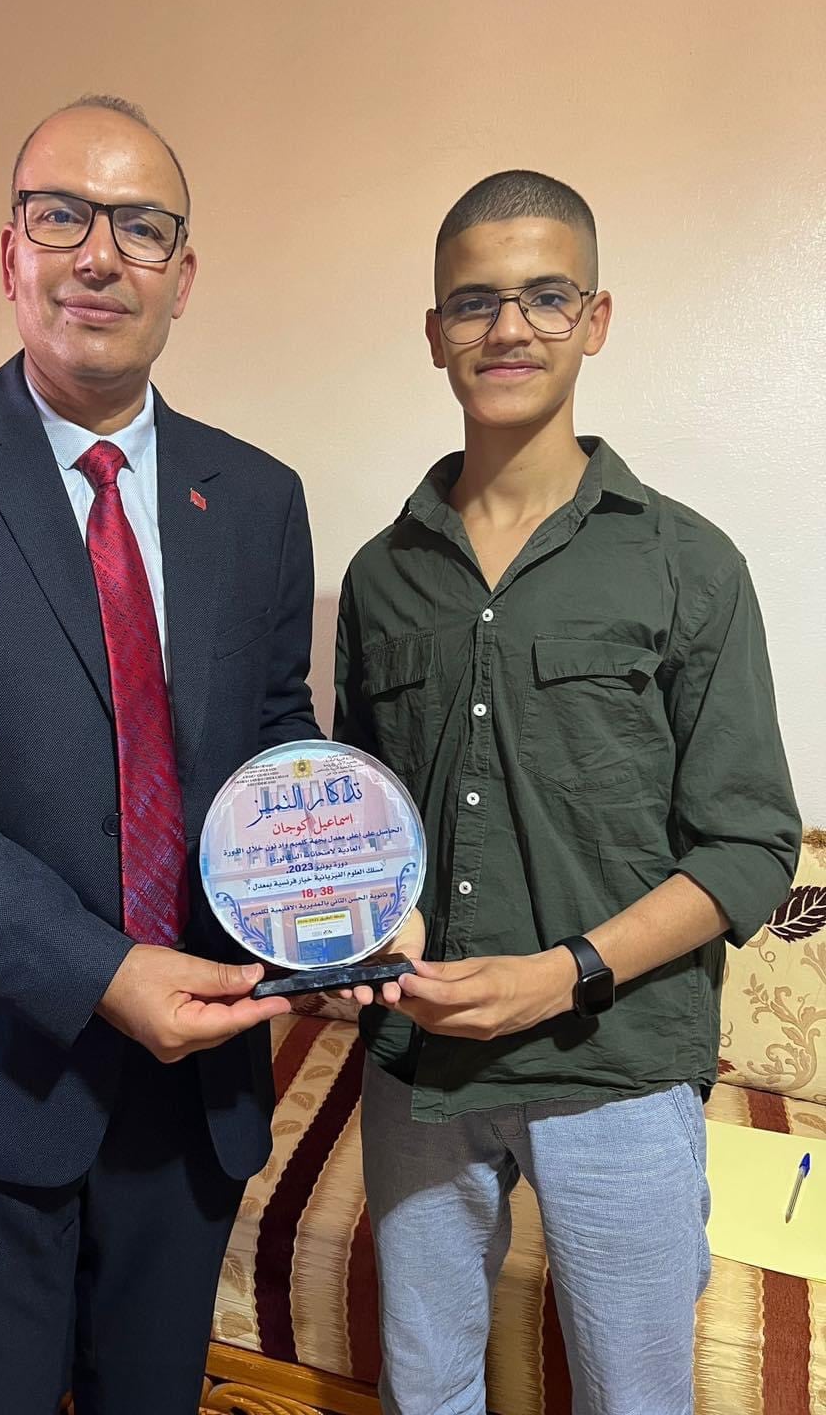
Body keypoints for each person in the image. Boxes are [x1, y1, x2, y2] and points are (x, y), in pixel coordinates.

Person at [0, 95, 318, 1415]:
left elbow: (273, 734)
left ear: (182, 277)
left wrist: (350, 894)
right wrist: (101, 972)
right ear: (11, 254)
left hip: (193, 1084)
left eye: (140, 227)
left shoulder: (257, 497)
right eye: (61, 215)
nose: (99, 254)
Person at [334, 170, 800, 1415]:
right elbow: (360, 816)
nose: (509, 328)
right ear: (433, 330)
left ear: (596, 319)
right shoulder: (380, 577)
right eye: (474, 301)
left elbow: (750, 844)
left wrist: (564, 973)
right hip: (419, 1067)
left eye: (546, 296)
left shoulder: (689, 563)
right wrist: (370, 921)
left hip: (617, 1067)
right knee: (424, 1391)